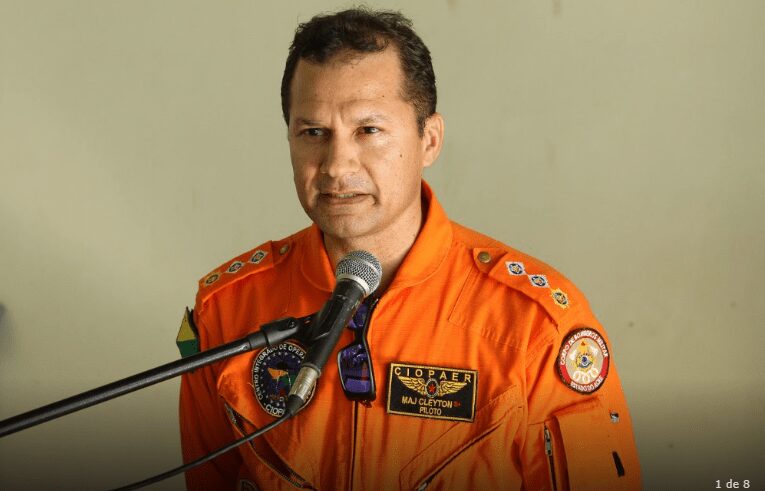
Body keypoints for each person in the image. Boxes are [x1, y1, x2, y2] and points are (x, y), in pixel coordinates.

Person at [178, 7, 641, 490]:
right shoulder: (227, 310)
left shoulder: (535, 327)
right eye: (313, 132)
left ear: (430, 140)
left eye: (368, 130)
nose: (336, 165)